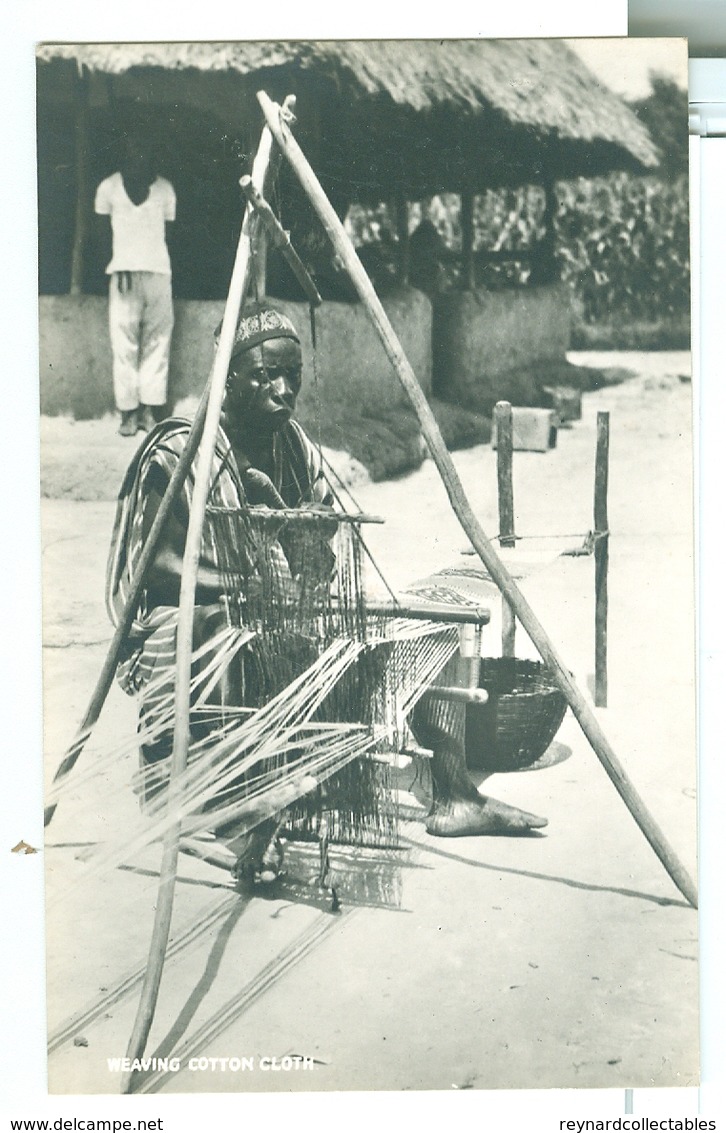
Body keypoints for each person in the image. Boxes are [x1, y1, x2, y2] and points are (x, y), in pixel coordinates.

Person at [106, 307, 545, 885]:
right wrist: (262, 578)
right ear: (228, 377)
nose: (283, 390)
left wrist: (306, 535)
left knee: (433, 623)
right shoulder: (177, 456)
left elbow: (322, 551)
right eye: (265, 375)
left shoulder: (292, 447)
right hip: (190, 626)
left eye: (293, 373)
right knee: (229, 630)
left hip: (280, 609)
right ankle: (233, 800)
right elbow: (155, 576)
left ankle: (453, 794)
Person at [95, 128, 176, 436]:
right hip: (123, 277)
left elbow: (173, 237)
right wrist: (119, 265)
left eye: (144, 150)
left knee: (158, 340)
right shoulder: (108, 188)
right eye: (132, 149)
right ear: (123, 153)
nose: (137, 156)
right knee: (124, 343)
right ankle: (128, 412)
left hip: (159, 274)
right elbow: (102, 236)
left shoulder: (165, 190)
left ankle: (149, 410)